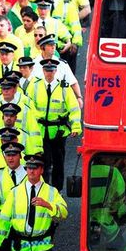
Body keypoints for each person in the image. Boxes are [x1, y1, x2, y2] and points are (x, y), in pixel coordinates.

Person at [0, 153, 67, 251]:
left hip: (42, 247)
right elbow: (4, 218)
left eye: (35, 167)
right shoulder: (15, 192)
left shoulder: (51, 192)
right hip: (21, 247)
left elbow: (63, 213)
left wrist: (48, 205)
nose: (31, 170)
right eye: (29, 167)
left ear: (42, 170)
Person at [26, 58, 82, 191]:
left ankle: (57, 191)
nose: (49, 73)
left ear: (56, 71)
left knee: (58, 162)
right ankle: (43, 189)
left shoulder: (64, 87)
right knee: (43, 161)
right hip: (41, 130)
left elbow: (73, 107)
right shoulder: (34, 85)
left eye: (51, 71)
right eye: (46, 70)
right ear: (43, 71)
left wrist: (75, 126)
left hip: (58, 130)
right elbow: (28, 105)